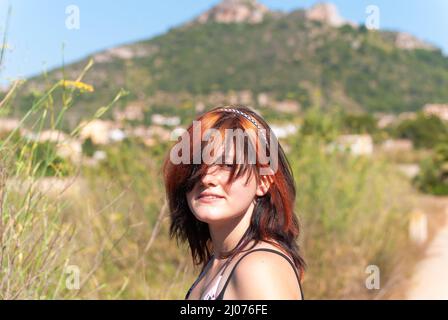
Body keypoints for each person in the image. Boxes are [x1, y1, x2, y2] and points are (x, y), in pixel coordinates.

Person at [162, 106, 305, 300]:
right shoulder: (219, 263)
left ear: (263, 182)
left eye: (227, 165)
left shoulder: (258, 268)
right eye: (196, 165)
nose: (206, 178)